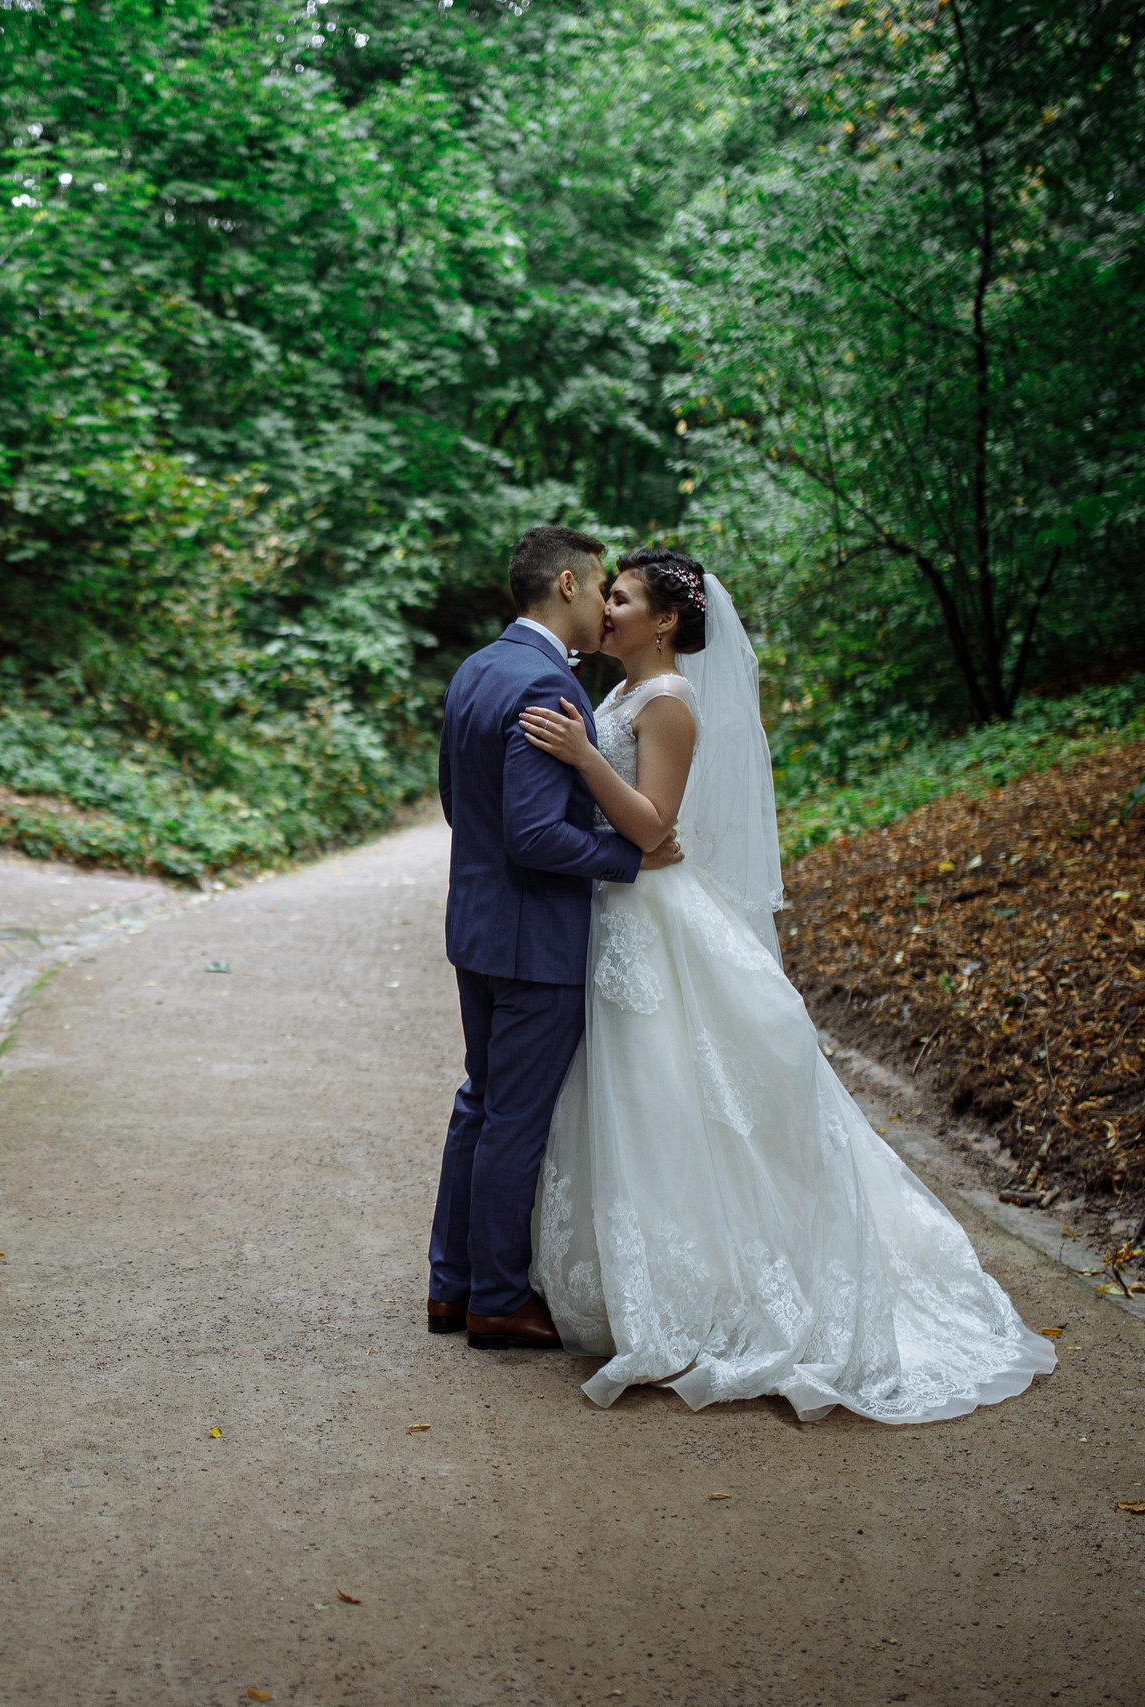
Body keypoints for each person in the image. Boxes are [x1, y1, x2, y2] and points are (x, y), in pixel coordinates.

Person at [514, 547, 1055, 1422]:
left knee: (669, 1086)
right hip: (621, 910)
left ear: (665, 622)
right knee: (639, 1094)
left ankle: (706, 1294)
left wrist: (583, 757)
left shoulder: (668, 700)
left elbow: (652, 824)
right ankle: (639, 1280)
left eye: (624, 598)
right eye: (608, 594)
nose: (606, 607)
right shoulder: (618, 692)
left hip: (653, 915)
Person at [428, 526, 681, 1351]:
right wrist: (629, 858)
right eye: (601, 583)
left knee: (479, 1103)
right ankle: (498, 1299)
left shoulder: (476, 669)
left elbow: (458, 803)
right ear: (567, 584)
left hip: (476, 926)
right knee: (514, 1119)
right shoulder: (547, 683)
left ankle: (450, 1286)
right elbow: (536, 833)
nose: (605, 601)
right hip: (534, 940)